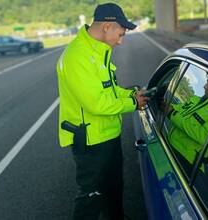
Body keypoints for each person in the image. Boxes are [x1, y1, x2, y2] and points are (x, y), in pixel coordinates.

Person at [56, 3, 149, 220]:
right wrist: (133, 104)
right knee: (91, 197)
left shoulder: (99, 51)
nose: (121, 40)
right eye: (121, 33)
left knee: (113, 188)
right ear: (107, 26)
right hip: (90, 141)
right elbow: (97, 104)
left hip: (108, 134)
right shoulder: (78, 55)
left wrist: (131, 94)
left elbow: (109, 90)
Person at [165, 76, 208, 173]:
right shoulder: (198, 100)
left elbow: (203, 137)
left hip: (183, 162)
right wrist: (168, 106)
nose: (205, 86)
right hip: (168, 144)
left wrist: (172, 113)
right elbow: (180, 109)